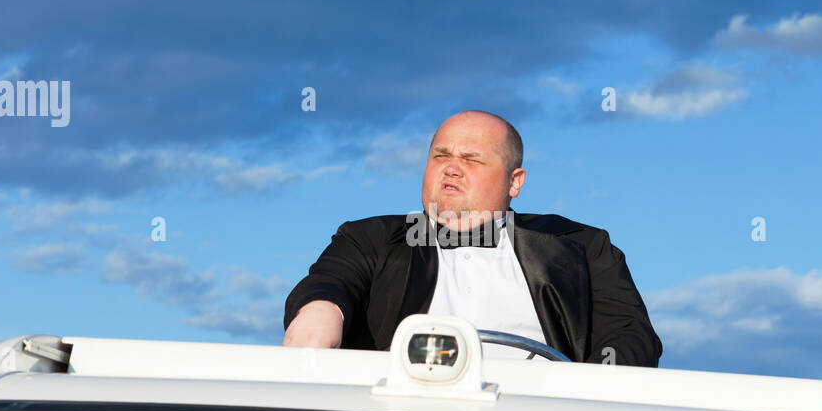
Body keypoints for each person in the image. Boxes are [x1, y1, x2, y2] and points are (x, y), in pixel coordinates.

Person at [282, 110, 662, 366]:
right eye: (441, 155)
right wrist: (321, 310)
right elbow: (331, 283)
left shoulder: (583, 246)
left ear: (515, 182)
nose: (451, 168)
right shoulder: (370, 239)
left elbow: (631, 338)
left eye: (472, 159)